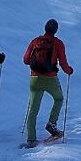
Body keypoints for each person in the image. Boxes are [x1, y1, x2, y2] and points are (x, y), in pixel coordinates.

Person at [21, 19, 74, 148]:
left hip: (35, 79)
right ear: (56, 30)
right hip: (50, 78)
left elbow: (26, 60)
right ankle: (52, 124)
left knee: (33, 109)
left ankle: (31, 139)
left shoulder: (35, 41)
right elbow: (63, 64)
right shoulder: (58, 43)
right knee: (59, 99)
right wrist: (69, 71)